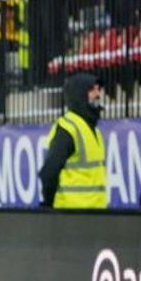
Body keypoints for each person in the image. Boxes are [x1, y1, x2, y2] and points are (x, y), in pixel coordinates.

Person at [39, 73, 108, 209]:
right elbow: (49, 172)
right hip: (71, 215)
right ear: (79, 94)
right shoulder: (68, 129)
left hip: (97, 214)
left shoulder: (94, 131)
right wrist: (49, 203)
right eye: (91, 89)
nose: (97, 93)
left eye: (98, 89)